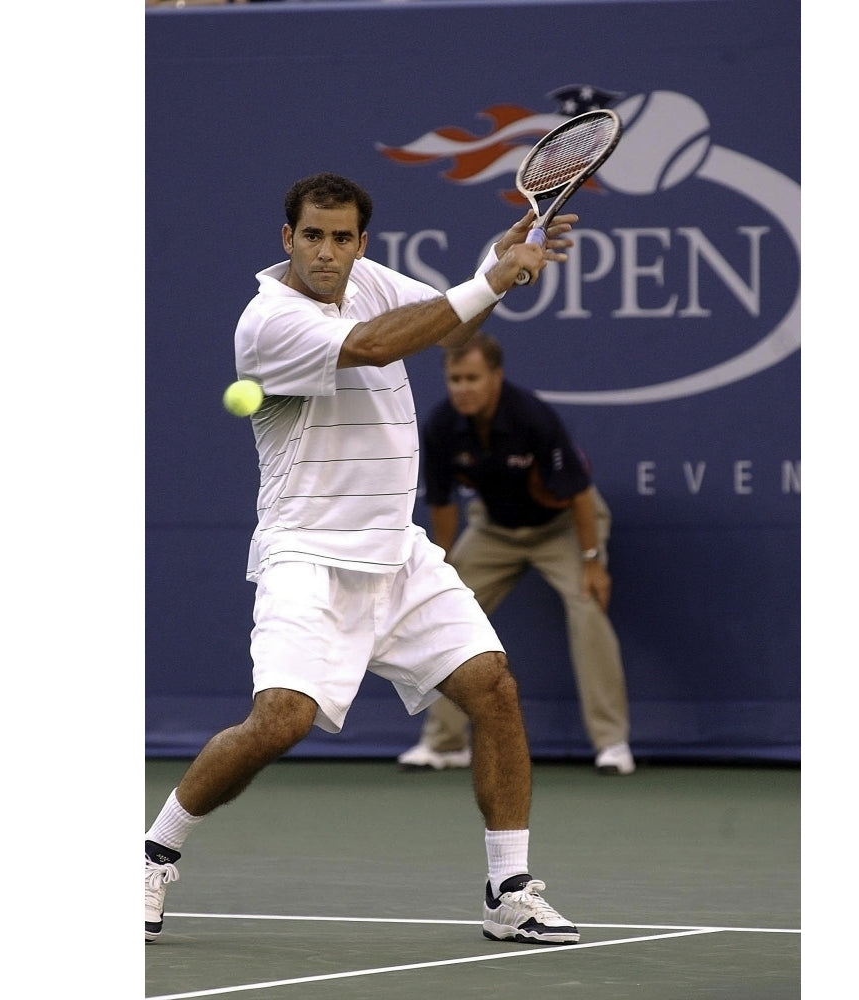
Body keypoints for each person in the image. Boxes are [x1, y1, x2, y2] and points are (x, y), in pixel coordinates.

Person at [145, 172, 584, 948]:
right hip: (307, 554)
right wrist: (489, 278)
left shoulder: (371, 281)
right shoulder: (267, 322)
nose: (326, 251)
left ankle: (508, 888)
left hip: (397, 550)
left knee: (495, 688)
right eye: (312, 236)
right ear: (287, 238)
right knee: (281, 721)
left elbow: (447, 326)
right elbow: (381, 345)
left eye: (342, 238)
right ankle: (153, 853)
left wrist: (501, 264)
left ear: (361, 243)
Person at [397, 333, 636, 777]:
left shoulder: (532, 417)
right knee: (447, 615)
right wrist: (443, 567)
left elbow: (581, 493)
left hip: (562, 527)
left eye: (472, 378)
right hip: (494, 530)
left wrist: (591, 560)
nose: (462, 388)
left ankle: (612, 743)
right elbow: (444, 504)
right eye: (454, 379)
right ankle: (445, 743)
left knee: (588, 611)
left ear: (495, 378)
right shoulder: (440, 426)